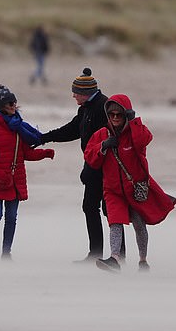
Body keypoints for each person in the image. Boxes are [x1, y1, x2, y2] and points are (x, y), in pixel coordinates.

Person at [37, 68, 125, 263]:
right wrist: (46, 137)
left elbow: (119, 133)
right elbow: (73, 129)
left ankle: (119, 255)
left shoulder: (104, 107)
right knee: (91, 207)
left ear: (85, 92)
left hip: (107, 168)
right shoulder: (85, 108)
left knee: (110, 210)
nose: (73, 95)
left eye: (75, 92)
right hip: (93, 165)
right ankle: (95, 254)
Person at [84, 94, 176, 272]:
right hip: (112, 189)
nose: (115, 118)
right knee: (115, 223)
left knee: (139, 225)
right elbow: (90, 158)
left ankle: (143, 261)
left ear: (126, 114)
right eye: (111, 114)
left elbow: (145, 140)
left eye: (119, 114)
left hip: (135, 188)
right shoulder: (101, 135)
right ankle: (114, 259)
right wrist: (103, 146)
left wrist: (134, 121)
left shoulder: (135, 133)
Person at [0, 84, 55, 260]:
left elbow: (25, 153)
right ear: (0, 105)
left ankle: (6, 253)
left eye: (14, 102)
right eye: (9, 103)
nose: (13, 105)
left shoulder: (18, 126)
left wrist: (44, 154)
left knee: (11, 217)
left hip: (15, 178)